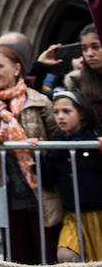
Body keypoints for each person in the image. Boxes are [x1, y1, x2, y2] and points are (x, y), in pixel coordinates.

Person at [0, 45, 61, 264]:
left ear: (17, 68)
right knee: (18, 257)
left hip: (41, 189)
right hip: (5, 192)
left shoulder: (40, 101)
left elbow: (59, 144)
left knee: (47, 254)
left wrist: (40, 145)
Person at [43, 91, 102, 262]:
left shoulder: (94, 141)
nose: (60, 117)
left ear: (81, 113)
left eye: (66, 111)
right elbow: (47, 181)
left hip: (98, 213)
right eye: (56, 112)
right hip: (73, 215)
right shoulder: (57, 146)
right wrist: (40, 155)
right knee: (66, 255)